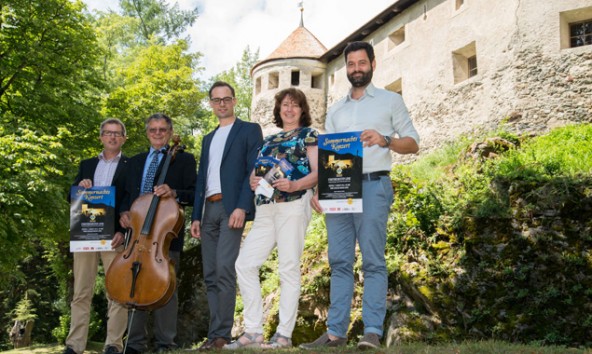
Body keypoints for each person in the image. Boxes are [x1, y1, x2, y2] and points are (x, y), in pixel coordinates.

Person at [300, 41, 420, 351]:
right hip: (338, 189)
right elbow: (328, 154)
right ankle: (336, 333)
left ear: (372, 64)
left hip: (373, 186)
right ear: (346, 69)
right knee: (339, 261)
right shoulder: (336, 110)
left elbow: (413, 143)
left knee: (373, 262)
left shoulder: (391, 101)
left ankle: (372, 332)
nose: (356, 68)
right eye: (351, 64)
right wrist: (318, 189)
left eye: (361, 63)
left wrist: (385, 140)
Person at [224, 88, 318, 350]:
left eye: (295, 105)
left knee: (288, 267)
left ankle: (284, 334)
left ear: (302, 110)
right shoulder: (269, 140)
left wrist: (296, 184)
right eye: (284, 105)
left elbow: (318, 172)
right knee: (244, 264)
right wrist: (254, 181)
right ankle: (253, 331)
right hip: (265, 208)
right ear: (278, 109)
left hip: (293, 205)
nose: (289, 109)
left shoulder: (309, 135)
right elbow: (257, 174)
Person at [190, 81, 263, 350]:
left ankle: (221, 334)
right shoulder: (208, 138)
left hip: (231, 207)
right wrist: (195, 216)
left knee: (224, 269)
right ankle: (214, 334)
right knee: (210, 273)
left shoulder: (249, 130)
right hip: (208, 209)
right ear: (210, 104)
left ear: (234, 101)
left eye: (226, 98)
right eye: (216, 99)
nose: (221, 103)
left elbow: (252, 170)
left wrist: (243, 207)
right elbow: (201, 179)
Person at [119, 113, 197, 354]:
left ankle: (166, 343)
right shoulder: (134, 162)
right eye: (153, 129)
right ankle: (134, 344)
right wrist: (123, 212)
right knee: (133, 286)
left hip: (165, 235)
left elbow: (195, 194)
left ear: (171, 132)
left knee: (166, 289)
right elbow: (124, 193)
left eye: (163, 129)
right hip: (136, 236)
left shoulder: (184, 160)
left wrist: (174, 192)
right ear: (147, 132)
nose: (157, 133)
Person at [64, 118, 129, 354]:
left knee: (117, 292)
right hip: (85, 235)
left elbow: (130, 201)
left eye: (117, 133)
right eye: (108, 133)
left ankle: (113, 345)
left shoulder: (130, 166)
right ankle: (74, 345)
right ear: (101, 136)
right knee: (81, 291)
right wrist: (79, 187)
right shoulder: (86, 164)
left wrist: (123, 231)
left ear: (123, 138)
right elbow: (70, 197)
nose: (112, 137)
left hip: (114, 237)